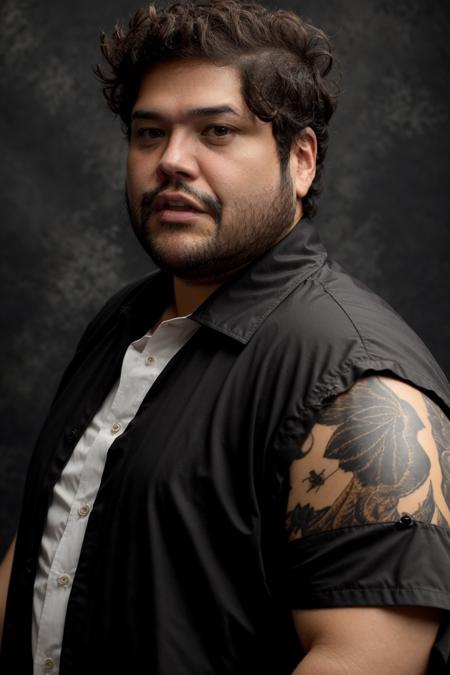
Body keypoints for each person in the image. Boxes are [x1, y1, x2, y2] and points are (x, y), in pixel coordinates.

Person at [1, 1, 450, 673]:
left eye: (216, 131)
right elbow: (46, 543)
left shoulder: (359, 382)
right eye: (149, 133)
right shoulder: (125, 321)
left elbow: (364, 656)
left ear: (300, 161)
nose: (171, 161)